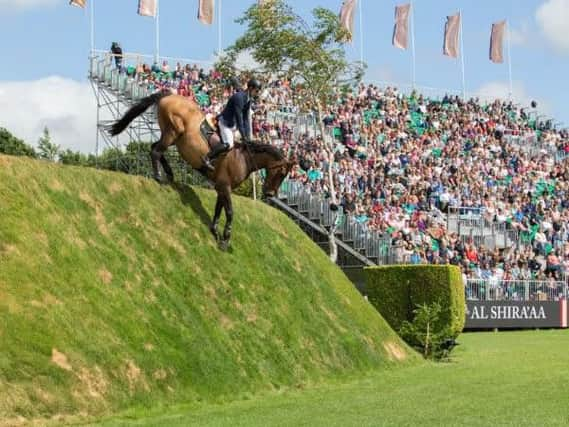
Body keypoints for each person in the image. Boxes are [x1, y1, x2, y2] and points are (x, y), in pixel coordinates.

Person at [202, 78, 262, 171]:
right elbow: (239, 119)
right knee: (229, 144)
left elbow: (246, 119)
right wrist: (243, 135)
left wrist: (247, 137)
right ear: (250, 88)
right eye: (256, 90)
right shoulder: (239, 98)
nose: (257, 93)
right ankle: (207, 158)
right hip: (226, 123)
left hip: (233, 125)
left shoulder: (248, 99)